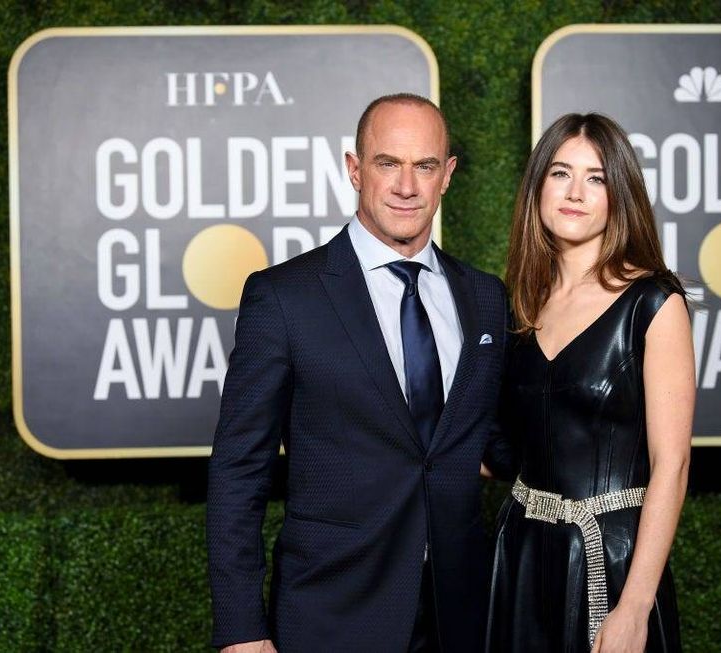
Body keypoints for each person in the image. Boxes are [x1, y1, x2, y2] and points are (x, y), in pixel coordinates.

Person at [207, 94, 512, 653]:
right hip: (332, 612)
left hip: (462, 614)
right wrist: (240, 630)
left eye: (424, 166)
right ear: (354, 169)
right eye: (387, 163)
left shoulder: (485, 297)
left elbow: (487, 435)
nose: (406, 185)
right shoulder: (283, 298)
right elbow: (238, 471)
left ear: (447, 176)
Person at [486, 113, 695, 653]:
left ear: (617, 194)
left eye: (596, 178)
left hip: (613, 560)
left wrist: (634, 606)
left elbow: (672, 466)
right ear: (538, 188)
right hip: (522, 557)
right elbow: (507, 448)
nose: (575, 192)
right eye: (560, 173)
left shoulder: (654, 303)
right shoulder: (519, 304)